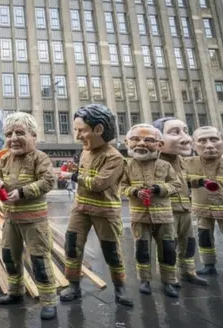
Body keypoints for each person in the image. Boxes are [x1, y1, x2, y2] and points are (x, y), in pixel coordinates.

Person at [57, 104, 133, 307]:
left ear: (98, 130)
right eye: (76, 130)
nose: (77, 136)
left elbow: (99, 184)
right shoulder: (85, 152)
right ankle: (73, 285)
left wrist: (71, 175)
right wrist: (76, 168)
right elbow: (87, 174)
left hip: (104, 212)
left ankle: (120, 289)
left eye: (81, 130)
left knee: (111, 251)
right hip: (80, 209)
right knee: (72, 247)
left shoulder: (115, 157)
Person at [0, 112, 57, 321]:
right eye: (9, 134)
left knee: (39, 260)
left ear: (33, 136)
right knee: (10, 257)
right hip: (11, 220)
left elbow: (48, 181)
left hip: (34, 222)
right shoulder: (4, 159)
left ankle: (49, 301)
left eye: (20, 133)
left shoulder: (40, 158)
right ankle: (15, 293)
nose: (13, 138)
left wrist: (22, 192)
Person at [120, 124, 181, 297]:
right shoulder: (126, 165)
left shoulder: (165, 165)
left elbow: (176, 184)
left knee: (168, 248)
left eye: (149, 140)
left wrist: (158, 188)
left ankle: (168, 281)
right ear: (127, 143)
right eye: (136, 139)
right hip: (139, 216)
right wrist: (134, 192)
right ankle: (144, 280)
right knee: (142, 248)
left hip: (164, 216)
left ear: (160, 145)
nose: (141, 144)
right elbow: (121, 186)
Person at [186, 126, 223, 284]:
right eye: (202, 141)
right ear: (194, 145)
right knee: (204, 238)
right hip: (201, 208)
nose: (209, 145)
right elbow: (182, 182)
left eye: (214, 139)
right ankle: (209, 265)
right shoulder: (188, 163)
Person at [152, 117, 208, 286]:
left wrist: (200, 181)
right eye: (175, 132)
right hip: (167, 211)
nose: (186, 138)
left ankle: (188, 271)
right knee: (168, 244)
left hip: (184, 209)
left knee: (188, 242)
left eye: (185, 131)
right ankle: (168, 277)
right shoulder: (155, 162)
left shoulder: (181, 161)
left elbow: (184, 181)